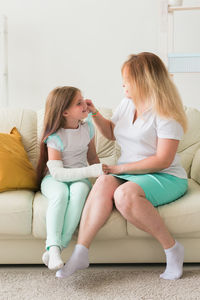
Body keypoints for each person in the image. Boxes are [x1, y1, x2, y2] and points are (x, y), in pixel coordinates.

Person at [56, 52, 188, 280]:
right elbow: (111, 133)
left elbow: (163, 160)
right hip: (132, 173)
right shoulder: (128, 103)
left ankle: (172, 249)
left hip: (165, 176)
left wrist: (120, 169)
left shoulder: (167, 112)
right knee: (103, 182)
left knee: (123, 195)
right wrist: (94, 113)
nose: (123, 84)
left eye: (127, 79)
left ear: (143, 81)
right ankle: (81, 251)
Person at [36, 86, 103, 270]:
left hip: (79, 179)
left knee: (80, 191)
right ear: (65, 111)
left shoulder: (88, 128)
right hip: (54, 179)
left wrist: (100, 181)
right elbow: (58, 173)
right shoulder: (55, 137)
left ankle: (54, 250)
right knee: (60, 195)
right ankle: (55, 248)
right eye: (78, 103)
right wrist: (91, 172)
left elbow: (92, 158)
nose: (84, 105)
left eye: (83, 100)